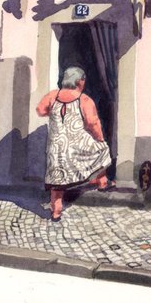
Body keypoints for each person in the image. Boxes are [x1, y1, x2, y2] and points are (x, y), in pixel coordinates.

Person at [36, 66, 114, 221]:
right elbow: (92, 123)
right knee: (102, 149)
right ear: (80, 81)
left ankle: (56, 211)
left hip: (56, 148)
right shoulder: (84, 99)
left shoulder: (52, 95)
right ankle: (102, 182)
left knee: (57, 179)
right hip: (77, 146)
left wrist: (55, 114)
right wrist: (100, 138)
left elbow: (40, 110)